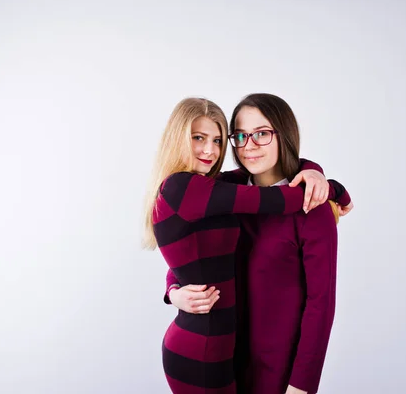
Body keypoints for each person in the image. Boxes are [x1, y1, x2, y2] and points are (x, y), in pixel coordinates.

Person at [143, 97, 335, 394]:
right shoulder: (221, 191)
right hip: (221, 360)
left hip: (278, 369)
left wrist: (302, 384)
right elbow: (189, 254)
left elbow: (320, 305)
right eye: (241, 136)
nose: (249, 145)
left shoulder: (312, 206)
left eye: (261, 133)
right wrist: (175, 292)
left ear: (284, 135)